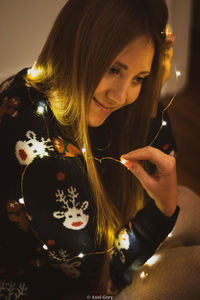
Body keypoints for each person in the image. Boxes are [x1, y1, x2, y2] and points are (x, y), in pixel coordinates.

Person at [0, 0, 179, 299]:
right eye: (113, 69)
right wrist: (164, 209)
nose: (120, 96)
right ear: (77, 45)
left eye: (139, 78)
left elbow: (154, 166)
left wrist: (149, 99)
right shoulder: (45, 159)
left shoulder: (31, 82)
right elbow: (100, 282)